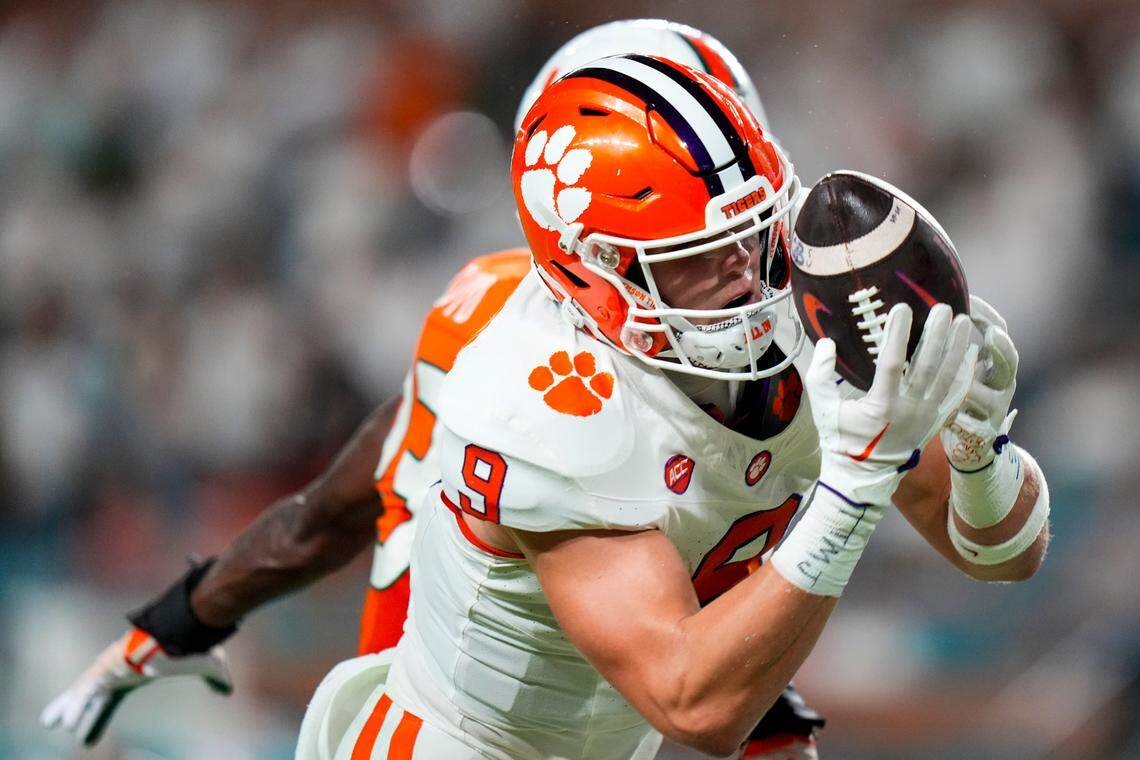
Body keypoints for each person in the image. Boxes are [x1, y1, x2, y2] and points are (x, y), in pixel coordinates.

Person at [45, 19, 828, 759]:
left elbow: (324, 516)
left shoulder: (701, 333)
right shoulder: (519, 358)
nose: (736, 253)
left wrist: (177, 622)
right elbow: (348, 503)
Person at [321, 54, 1049, 759]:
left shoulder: (804, 304)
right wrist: (853, 487)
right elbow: (695, 704)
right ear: (595, 272)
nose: (748, 275)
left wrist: (977, 454)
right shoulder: (540, 399)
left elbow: (1001, 556)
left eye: (754, 231)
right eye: (698, 254)